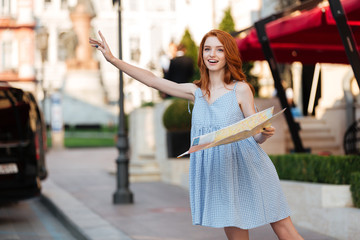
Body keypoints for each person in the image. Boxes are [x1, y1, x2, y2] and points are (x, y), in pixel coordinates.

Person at [89, 29, 304, 240]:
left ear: (228, 55)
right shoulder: (196, 92)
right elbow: (153, 81)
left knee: (284, 229)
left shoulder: (241, 89)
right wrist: (113, 60)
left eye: (219, 50)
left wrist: (264, 134)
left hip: (251, 166)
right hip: (221, 172)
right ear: (201, 54)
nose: (212, 54)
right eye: (207, 49)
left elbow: (254, 133)